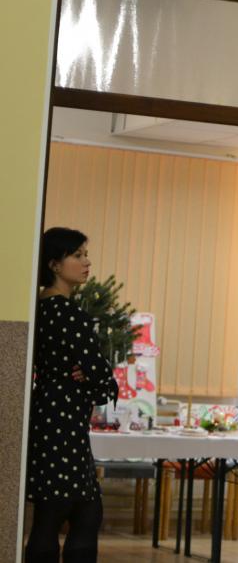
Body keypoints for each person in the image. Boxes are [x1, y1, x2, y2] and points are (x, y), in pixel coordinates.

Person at [26, 227, 117, 563]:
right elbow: (104, 383)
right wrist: (98, 376)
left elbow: (95, 375)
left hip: (49, 415)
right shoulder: (67, 313)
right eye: (77, 255)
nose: (86, 262)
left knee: (56, 512)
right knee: (76, 513)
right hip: (63, 422)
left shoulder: (40, 308)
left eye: (85, 254)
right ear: (54, 264)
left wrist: (94, 374)